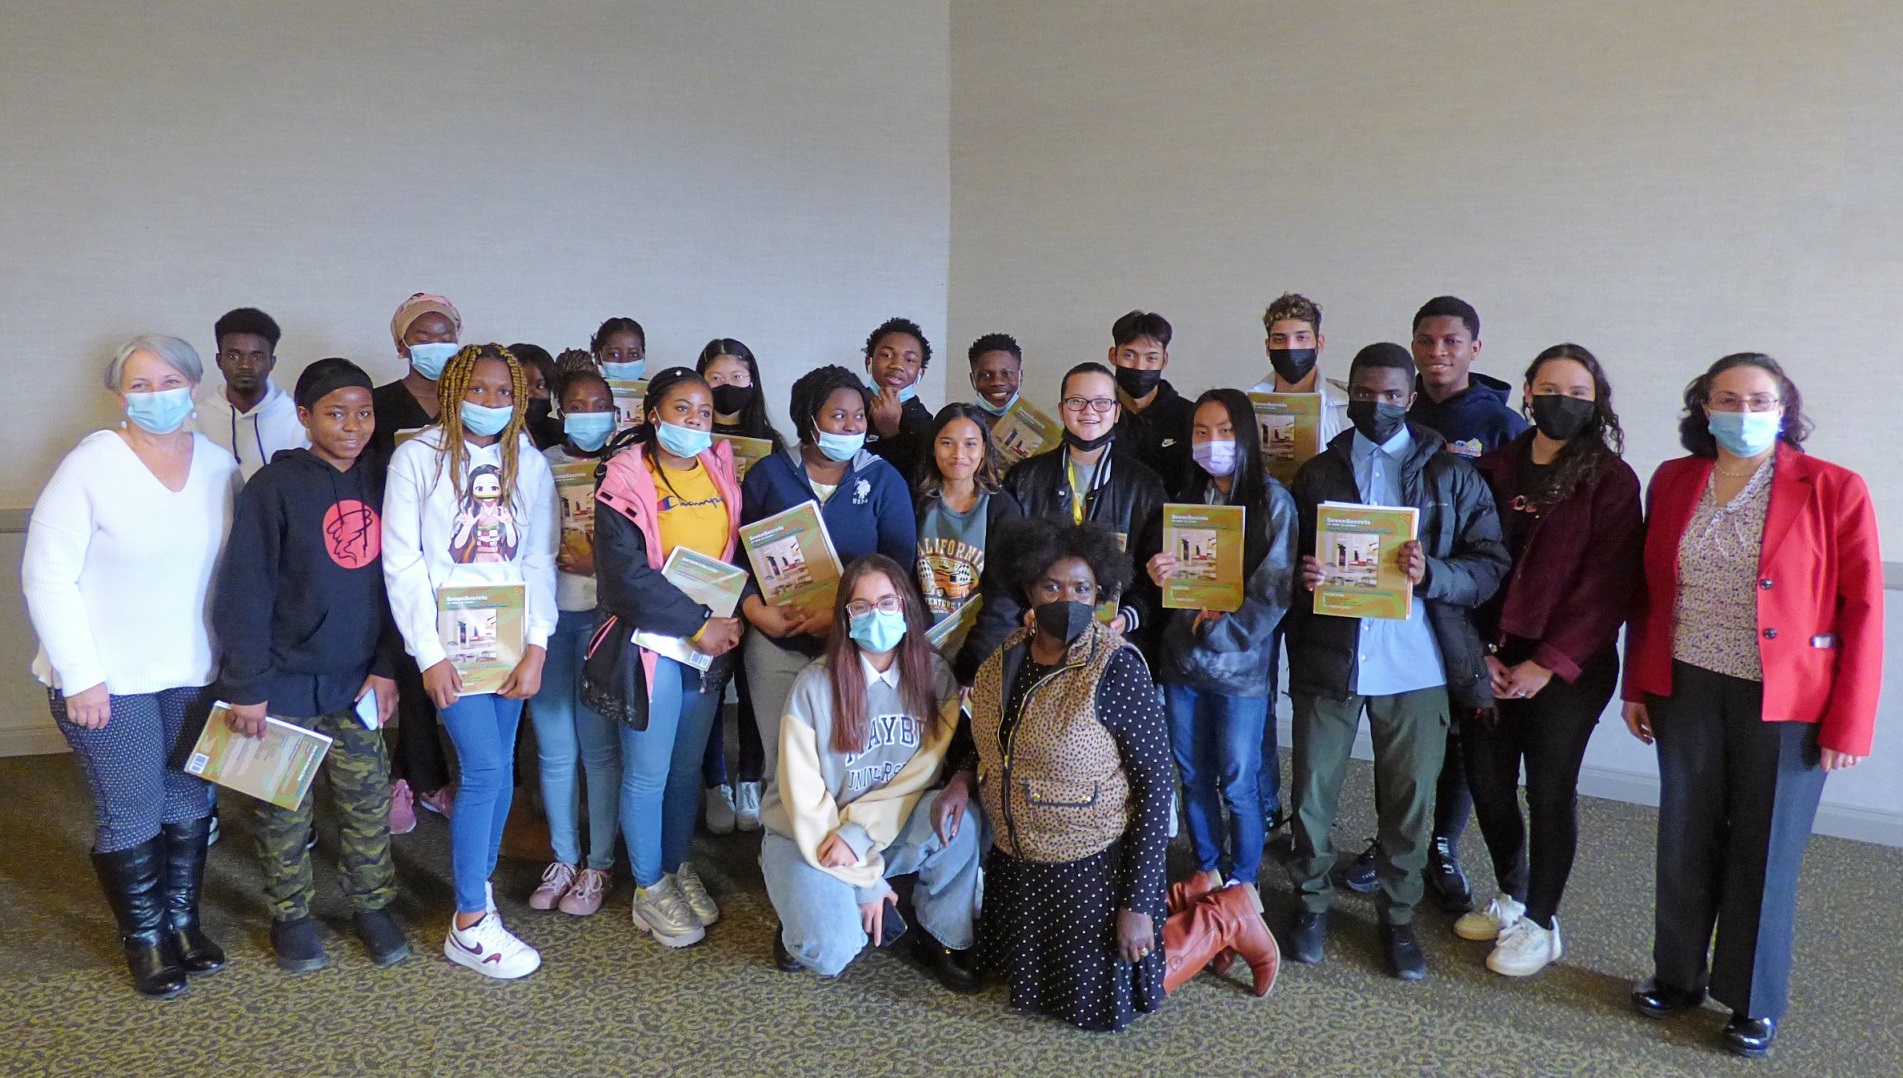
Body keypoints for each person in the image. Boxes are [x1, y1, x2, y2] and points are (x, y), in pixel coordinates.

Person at [1622, 353, 1881, 1059]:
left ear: (1784, 408)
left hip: (1788, 701)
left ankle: (1751, 1001)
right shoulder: (1674, 480)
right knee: (1682, 840)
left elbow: (1861, 612)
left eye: (1758, 399)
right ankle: (1675, 977)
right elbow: (1649, 589)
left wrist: (1848, 721)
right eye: (1725, 399)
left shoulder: (1832, 488)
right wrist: (1636, 683)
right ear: (1702, 408)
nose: (1742, 411)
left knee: (1763, 853)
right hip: (1686, 686)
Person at [945, 518, 1276, 1032]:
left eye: (1083, 588)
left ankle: (1221, 919)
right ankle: (1193, 891)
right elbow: (988, 738)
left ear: (1101, 591)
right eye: (1052, 586)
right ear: (1030, 588)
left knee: (1102, 1003)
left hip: (1091, 857)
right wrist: (963, 777)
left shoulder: (1116, 667)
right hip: (1020, 856)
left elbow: (1153, 785)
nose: (1067, 599)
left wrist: (1139, 904)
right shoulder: (1007, 657)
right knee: (1030, 984)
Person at [22, 334, 240, 998]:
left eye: (169, 381)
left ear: (195, 388)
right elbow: (45, 574)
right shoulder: (91, 465)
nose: (156, 396)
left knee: (190, 798)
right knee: (133, 809)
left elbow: (238, 574)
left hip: (195, 669)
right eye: (140, 385)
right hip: (108, 681)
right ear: (119, 395)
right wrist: (79, 671)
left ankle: (181, 922)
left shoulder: (218, 465)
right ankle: (144, 939)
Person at [1282, 342, 1509, 982]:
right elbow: (1284, 554)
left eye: (1389, 395)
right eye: (1363, 393)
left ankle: (1399, 916)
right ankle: (1310, 904)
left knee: (1408, 801)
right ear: (1347, 393)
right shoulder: (1318, 471)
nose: (1376, 405)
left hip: (1419, 664)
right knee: (1311, 796)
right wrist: (1305, 573)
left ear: (1410, 398)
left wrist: (1432, 571)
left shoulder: (1451, 475)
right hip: (1332, 656)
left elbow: (1490, 565)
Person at [211, 357, 411, 972]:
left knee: (365, 803)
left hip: (357, 680)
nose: (352, 425)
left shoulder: (386, 481)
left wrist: (386, 667)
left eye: (364, 412)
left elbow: (397, 588)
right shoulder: (273, 488)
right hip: (281, 683)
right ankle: (291, 915)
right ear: (303, 417)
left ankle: (372, 905)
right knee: (280, 812)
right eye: (335, 412)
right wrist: (247, 685)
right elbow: (245, 589)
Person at [1459, 345, 1643, 976]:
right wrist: (1479, 653)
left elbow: (1608, 585)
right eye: (1550, 387)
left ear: (1596, 402)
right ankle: (1510, 894)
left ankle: (1542, 921)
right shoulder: (1493, 468)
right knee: (1485, 781)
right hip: (1488, 656)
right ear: (1528, 392)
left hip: (1567, 668)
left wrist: (1548, 662)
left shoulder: (1611, 481)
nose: (1563, 400)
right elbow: (1467, 563)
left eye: (1579, 391)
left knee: (1548, 790)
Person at [382, 342, 557, 980]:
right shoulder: (417, 458)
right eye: (478, 390)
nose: (491, 403)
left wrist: (538, 643)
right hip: (450, 642)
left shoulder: (528, 463)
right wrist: (427, 654)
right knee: (482, 770)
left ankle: (479, 896)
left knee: (500, 771)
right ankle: (468, 921)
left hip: (510, 641)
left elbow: (537, 559)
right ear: (454, 391)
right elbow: (402, 563)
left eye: (504, 393)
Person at [758, 554, 980, 990]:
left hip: (876, 829)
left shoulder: (934, 678)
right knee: (832, 949)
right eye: (860, 606)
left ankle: (943, 934)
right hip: (810, 835)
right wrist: (865, 883)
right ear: (846, 617)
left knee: (960, 821)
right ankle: (797, 920)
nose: (874, 615)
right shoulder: (815, 686)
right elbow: (804, 802)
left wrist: (858, 839)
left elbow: (917, 777)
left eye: (886, 602)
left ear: (906, 606)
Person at [1379, 294, 1528, 912]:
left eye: (1451, 341)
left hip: (1468, 599)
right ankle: (1395, 840)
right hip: (1397, 593)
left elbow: (1511, 529)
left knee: (1466, 732)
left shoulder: (1502, 424)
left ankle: (1441, 843)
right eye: (1426, 341)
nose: (1437, 353)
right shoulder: (1393, 409)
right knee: (1409, 729)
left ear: (1475, 348)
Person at [588, 367, 745, 948]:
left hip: (705, 650)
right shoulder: (625, 477)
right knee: (649, 773)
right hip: (654, 645)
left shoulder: (718, 466)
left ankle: (677, 869)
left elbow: (734, 553)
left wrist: (720, 622)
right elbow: (624, 577)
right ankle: (648, 889)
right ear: (653, 414)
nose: (694, 422)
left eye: (704, 412)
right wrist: (697, 624)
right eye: (682, 410)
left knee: (684, 772)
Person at [1145, 389, 1297, 907]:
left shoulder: (1274, 502)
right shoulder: (1185, 501)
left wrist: (1219, 633)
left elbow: (1273, 591)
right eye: (1202, 432)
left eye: (1226, 431)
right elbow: (1174, 585)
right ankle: (1208, 867)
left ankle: (1244, 880)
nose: (1213, 443)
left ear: (1248, 435)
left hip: (1240, 672)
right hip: (1182, 665)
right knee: (1191, 775)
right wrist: (1159, 575)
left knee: (1238, 781)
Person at [740, 365, 917, 784]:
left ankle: (843, 847)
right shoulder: (769, 475)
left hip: (855, 642)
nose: (852, 425)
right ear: (809, 417)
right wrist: (754, 611)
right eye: (839, 416)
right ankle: (783, 845)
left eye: (859, 416)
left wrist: (837, 618)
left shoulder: (882, 478)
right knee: (782, 759)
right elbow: (736, 554)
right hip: (775, 640)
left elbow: (898, 563)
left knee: (847, 760)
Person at [524, 368, 623, 917]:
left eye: (599, 404)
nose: (589, 413)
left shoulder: (629, 465)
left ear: (615, 411)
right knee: (555, 746)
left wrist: (599, 562)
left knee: (600, 750)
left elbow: (649, 549)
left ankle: (599, 864)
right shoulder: (539, 465)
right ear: (560, 410)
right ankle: (564, 856)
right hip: (549, 622)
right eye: (577, 404)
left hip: (604, 620)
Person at [371, 293, 463, 828]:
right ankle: (419, 780)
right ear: (401, 343)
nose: (436, 345)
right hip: (397, 553)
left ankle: (413, 776)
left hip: (461, 559)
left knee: (454, 666)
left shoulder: (469, 403)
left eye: (444, 333)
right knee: (409, 664)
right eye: (423, 335)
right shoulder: (379, 404)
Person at [1002, 361, 1165, 653]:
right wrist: (1022, 610)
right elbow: (1006, 562)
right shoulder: (1024, 477)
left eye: (1102, 403)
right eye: (1077, 401)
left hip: (1112, 641)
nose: (1089, 411)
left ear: (1116, 412)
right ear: (1062, 409)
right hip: (1036, 639)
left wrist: (1127, 618)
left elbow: (1155, 570)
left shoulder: (1145, 486)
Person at [696, 338, 787, 833]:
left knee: (752, 690)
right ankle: (716, 785)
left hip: (760, 583)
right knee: (709, 687)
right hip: (703, 585)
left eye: (738, 378)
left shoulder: (773, 444)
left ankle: (750, 779)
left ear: (753, 383)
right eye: (716, 378)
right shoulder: (687, 440)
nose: (728, 388)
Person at [912, 403, 1024, 684]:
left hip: (980, 654)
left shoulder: (1003, 508)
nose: (958, 454)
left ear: (984, 449)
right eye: (947, 443)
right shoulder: (915, 503)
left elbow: (1004, 600)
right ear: (932, 447)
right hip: (918, 652)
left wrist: (971, 666)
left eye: (970, 444)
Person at [196, 307, 308, 479]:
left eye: (257, 357)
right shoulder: (195, 420)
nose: (245, 365)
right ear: (219, 361)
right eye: (234, 356)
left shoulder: (298, 420)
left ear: (272, 362)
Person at [1106, 310, 1194, 497]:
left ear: (1164, 360)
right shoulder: (1097, 415)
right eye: (1129, 356)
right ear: (1113, 356)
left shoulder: (1189, 416)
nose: (1139, 366)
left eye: (1151, 358)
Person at [1250, 292, 1348, 441]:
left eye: (1301, 338)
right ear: (1268, 347)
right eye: (1279, 339)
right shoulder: (1247, 406)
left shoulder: (1346, 406)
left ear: (1319, 344)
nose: (1290, 347)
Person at [863, 317, 936, 479]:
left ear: (920, 373)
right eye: (887, 355)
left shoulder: (924, 424)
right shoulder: (849, 403)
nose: (896, 365)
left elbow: (918, 481)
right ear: (869, 361)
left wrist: (891, 433)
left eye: (909, 360)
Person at [509, 342, 564, 451]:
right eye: (521, 386)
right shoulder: (490, 438)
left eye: (541, 386)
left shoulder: (560, 436)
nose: (530, 394)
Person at [966, 332, 1023, 423]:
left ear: (1020, 376)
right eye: (986, 375)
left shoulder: (1041, 429)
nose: (997, 382)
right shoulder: (962, 427)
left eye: (1007, 373)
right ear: (973, 380)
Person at [592, 317, 647, 382]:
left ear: (643, 357)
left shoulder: (654, 390)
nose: (624, 362)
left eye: (633, 354)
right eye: (614, 354)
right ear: (598, 358)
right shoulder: (586, 391)